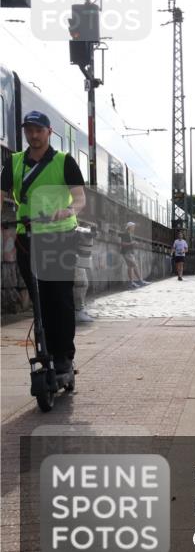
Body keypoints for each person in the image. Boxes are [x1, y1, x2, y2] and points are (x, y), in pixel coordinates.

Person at [1, 111, 87, 376]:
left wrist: (68, 211)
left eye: (39, 130)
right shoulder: (14, 162)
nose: (33, 135)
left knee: (59, 296)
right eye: (29, 130)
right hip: (27, 236)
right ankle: (45, 349)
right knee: (39, 299)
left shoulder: (64, 161)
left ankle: (64, 356)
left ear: (49, 132)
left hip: (60, 236)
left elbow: (79, 198)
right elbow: (2, 196)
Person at [122, 221, 148, 287]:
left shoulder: (130, 234)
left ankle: (132, 283)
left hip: (130, 252)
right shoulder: (125, 234)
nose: (134, 228)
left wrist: (136, 244)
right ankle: (139, 281)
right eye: (133, 226)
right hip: (127, 252)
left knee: (130, 267)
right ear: (129, 227)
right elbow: (123, 244)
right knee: (134, 265)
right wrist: (132, 243)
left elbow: (130, 243)